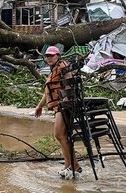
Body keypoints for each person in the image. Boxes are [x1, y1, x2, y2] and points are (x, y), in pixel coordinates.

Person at [34, 45, 81, 179]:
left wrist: (65, 101)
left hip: (64, 105)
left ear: (58, 56)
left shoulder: (63, 67)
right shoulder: (52, 71)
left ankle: (72, 165)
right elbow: (48, 91)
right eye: (47, 56)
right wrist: (39, 106)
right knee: (62, 136)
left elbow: (69, 83)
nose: (49, 58)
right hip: (58, 106)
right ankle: (72, 165)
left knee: (59, 134)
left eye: (51, 55)